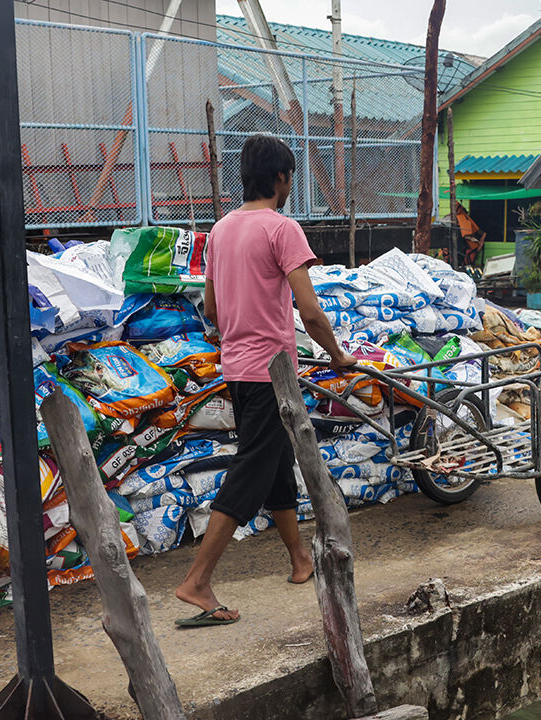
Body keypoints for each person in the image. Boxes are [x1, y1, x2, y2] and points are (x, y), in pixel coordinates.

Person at [175, 134, 356, 627]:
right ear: (280, 178)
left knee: (275, 461)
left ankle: (300, 560)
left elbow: (211, 309)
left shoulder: (220, 231)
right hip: (270, 373)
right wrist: (337, 355)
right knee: (253, 468)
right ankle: (197, 580)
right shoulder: (282, 229)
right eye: (290, 177)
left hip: (237, 369)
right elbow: (311, 310)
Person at [454, 201, 486, 267]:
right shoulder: (458, 218)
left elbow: (480, 233)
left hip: (467, 246)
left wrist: (480, 242)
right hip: (460, 245)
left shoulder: (465, 218)